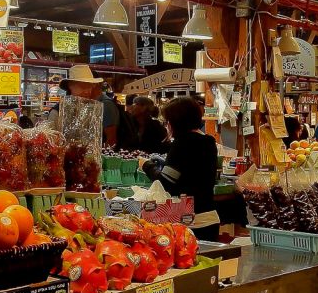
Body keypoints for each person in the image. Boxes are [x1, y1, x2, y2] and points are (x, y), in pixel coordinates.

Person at [141, 96, 219, 240]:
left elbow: (165, 183)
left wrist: (146, 165)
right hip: (209, 217)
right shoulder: (209, 142)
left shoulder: (182, 143)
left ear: (175, 122)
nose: (167, 125)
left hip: (189, 222)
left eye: (167, 121)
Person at [56, 64, 124, 148]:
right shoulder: (68, 108)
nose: (87, 91)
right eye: (83, 86)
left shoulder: (104, 105)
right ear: (70, 86)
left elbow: (111, 140)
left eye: (89, 86)